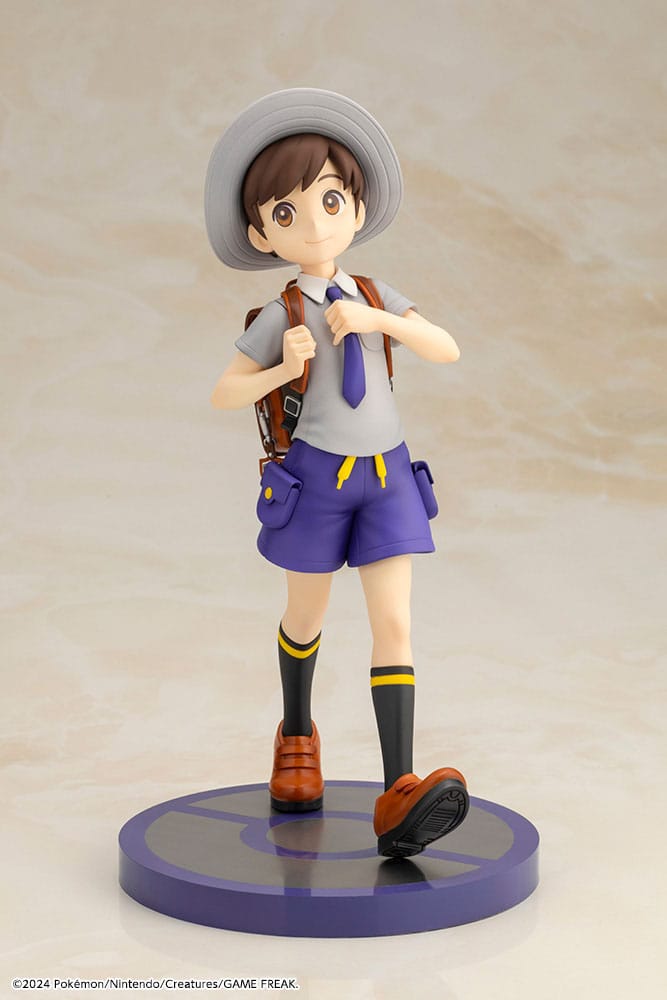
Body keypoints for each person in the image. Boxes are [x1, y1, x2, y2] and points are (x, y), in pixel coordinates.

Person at [206, 89, 469, 857]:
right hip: (317, 480)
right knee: (307, 615)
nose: (316, 225)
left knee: (395, 624)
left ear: (356, 206)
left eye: (329, 200)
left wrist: (378, 320)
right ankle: (296, 732)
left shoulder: (377, 296)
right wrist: (279, 368)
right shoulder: (282, 313)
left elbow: (445, 348)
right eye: (286, 212)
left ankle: (398, 789)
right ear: (261, 233)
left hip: (386, 478)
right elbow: (225, 393)